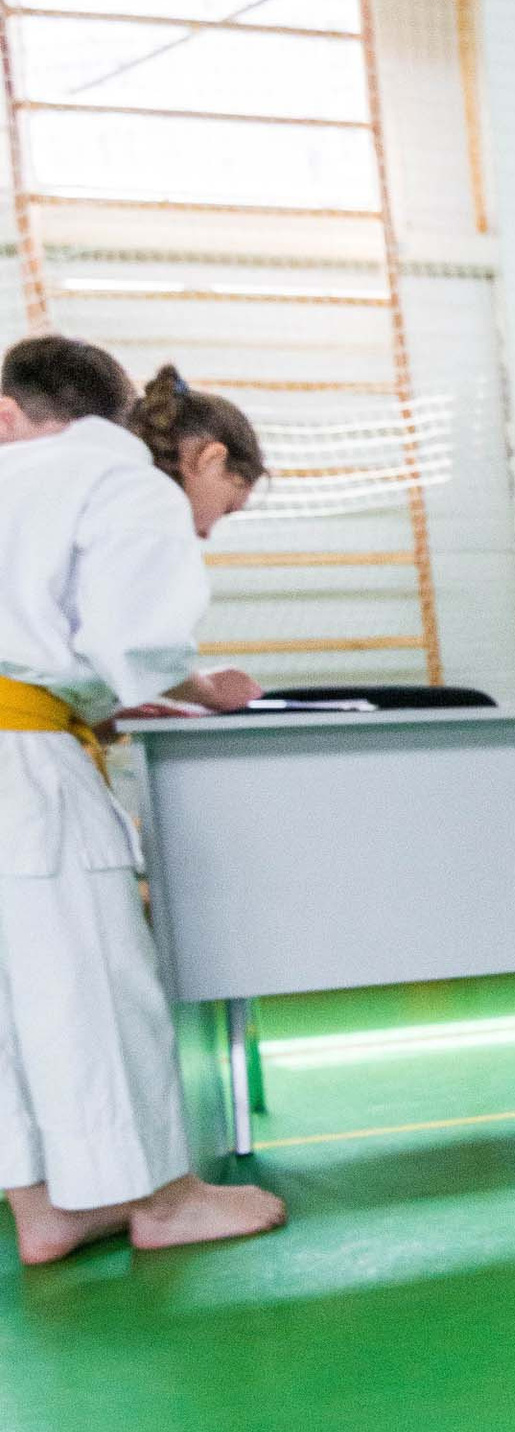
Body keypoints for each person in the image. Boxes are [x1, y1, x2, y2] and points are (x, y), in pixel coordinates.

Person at [0, 341, 284, 1268]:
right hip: (24, 764)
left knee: (8, 1003)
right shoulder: (128, 484)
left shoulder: (20, 472)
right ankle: (167, 1198)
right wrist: (200, 687)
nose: (208, 529)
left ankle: (41, 1206)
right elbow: (136, 643)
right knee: (95, 981)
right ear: (205, 459)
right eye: (225, 507)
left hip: (24, 726)